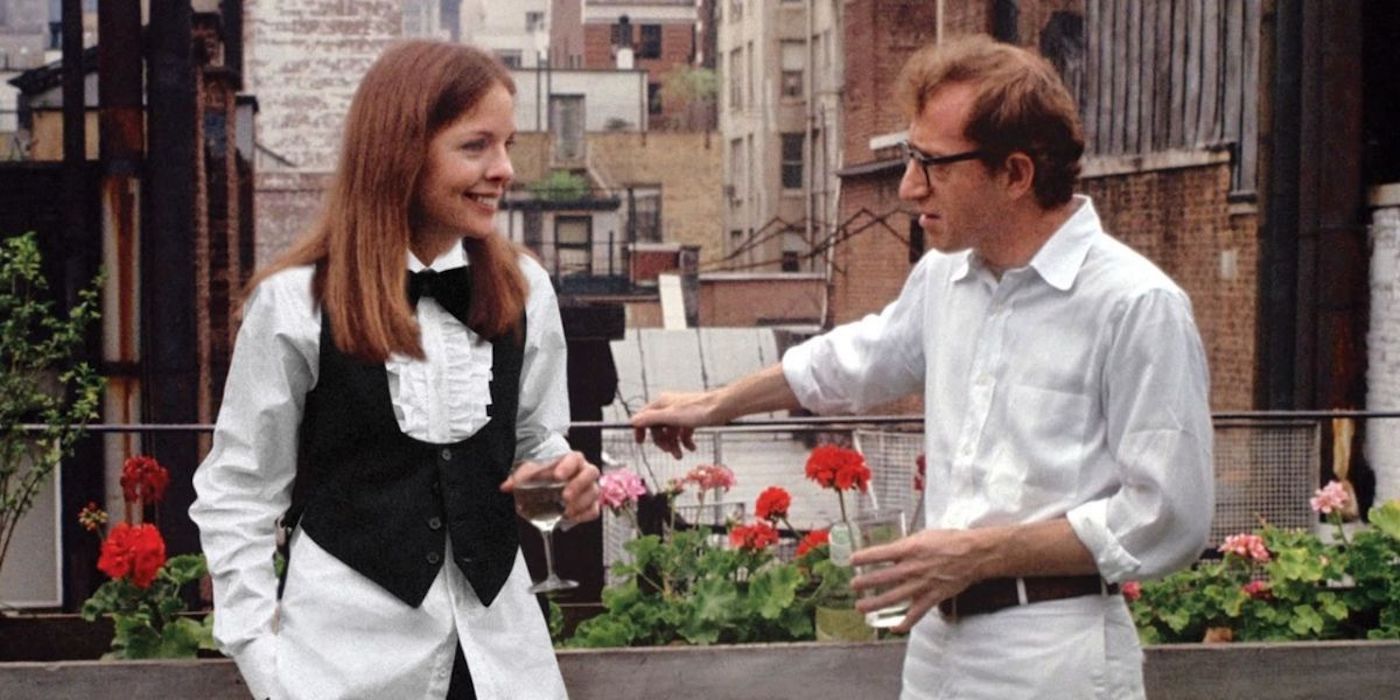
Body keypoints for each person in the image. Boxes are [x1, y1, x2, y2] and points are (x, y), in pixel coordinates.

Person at [631, 35, 1212, 699]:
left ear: (1016, 175)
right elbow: (857, 359)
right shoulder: (945, 276)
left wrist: (980, 553)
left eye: (931, 164)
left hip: (1055, 656)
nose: (909, 188)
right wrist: (719, 403)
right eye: (911, 159)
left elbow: (1169, 516)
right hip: (936, 648)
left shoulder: (1137, 305)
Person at [190, 41, 599, 700]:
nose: (504, 170)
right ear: (400, 152)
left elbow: (532, 445)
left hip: (502, 661)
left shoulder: (526, 289)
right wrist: (268, 665)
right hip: (346, 667)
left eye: (508, 145)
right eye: (476, 147)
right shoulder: (295, 304)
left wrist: (562, 487)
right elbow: (239, 493)